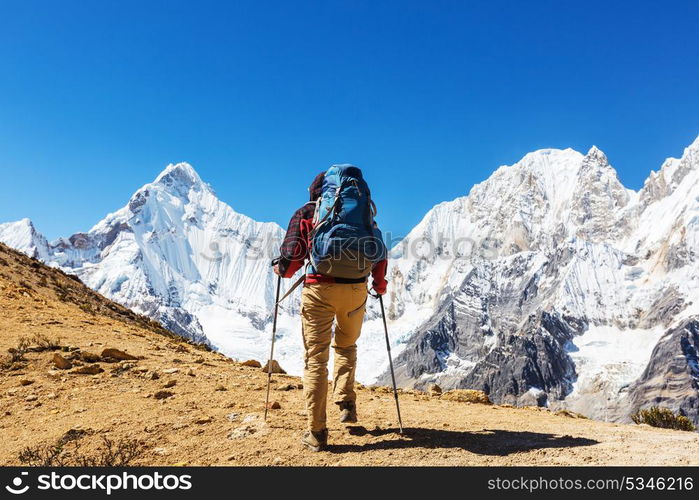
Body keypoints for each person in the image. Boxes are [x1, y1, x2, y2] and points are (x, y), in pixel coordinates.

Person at [274, 169, 387, 452]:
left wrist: (280, 268)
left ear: (318, 192)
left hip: (319, 290)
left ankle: (316, 432)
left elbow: (290, 263)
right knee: (347, 345)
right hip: (356, 290)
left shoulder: (308, 213)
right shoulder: (364, 214)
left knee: (316, 360)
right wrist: (379, 284)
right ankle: (347, 404)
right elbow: (379, 250)